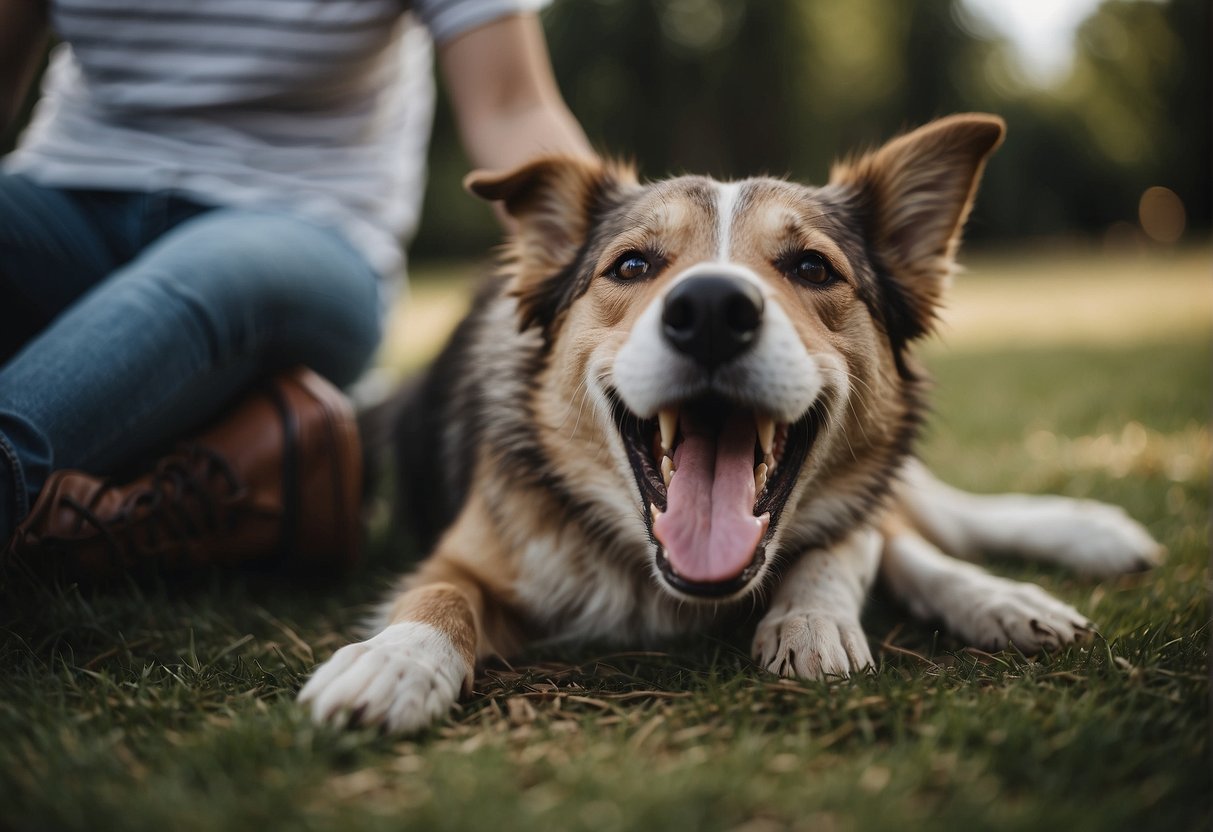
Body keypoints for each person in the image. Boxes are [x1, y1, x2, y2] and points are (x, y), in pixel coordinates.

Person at [0, 0, 593, 578]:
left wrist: (620, 262)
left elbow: (512, 108)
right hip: (65, 200)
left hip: (300, 231)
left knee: (217, 267)